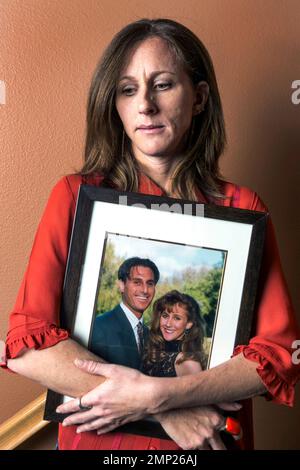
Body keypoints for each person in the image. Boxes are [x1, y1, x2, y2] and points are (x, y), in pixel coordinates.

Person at [2, 18, 299, 450]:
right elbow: (27, 347)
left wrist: (162, 395)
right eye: (127, 90)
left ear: (198, 98)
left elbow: (277, 355)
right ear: (115, 106)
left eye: (162, 85)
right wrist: (164, 408)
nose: (145, 105)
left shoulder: (243, 208)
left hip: (202, 447)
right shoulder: (74, 197)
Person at [90, 257, 159, 369]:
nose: (145, 290)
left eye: (150, 284)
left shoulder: (151, 336)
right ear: (122, 285)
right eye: (137, 282)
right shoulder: (98, 327)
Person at [142, 290, 205, 378]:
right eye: (165, 316)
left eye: (177, 318)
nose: (168, 324)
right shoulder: (153, 349)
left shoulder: (188, 363)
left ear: (189, 324)